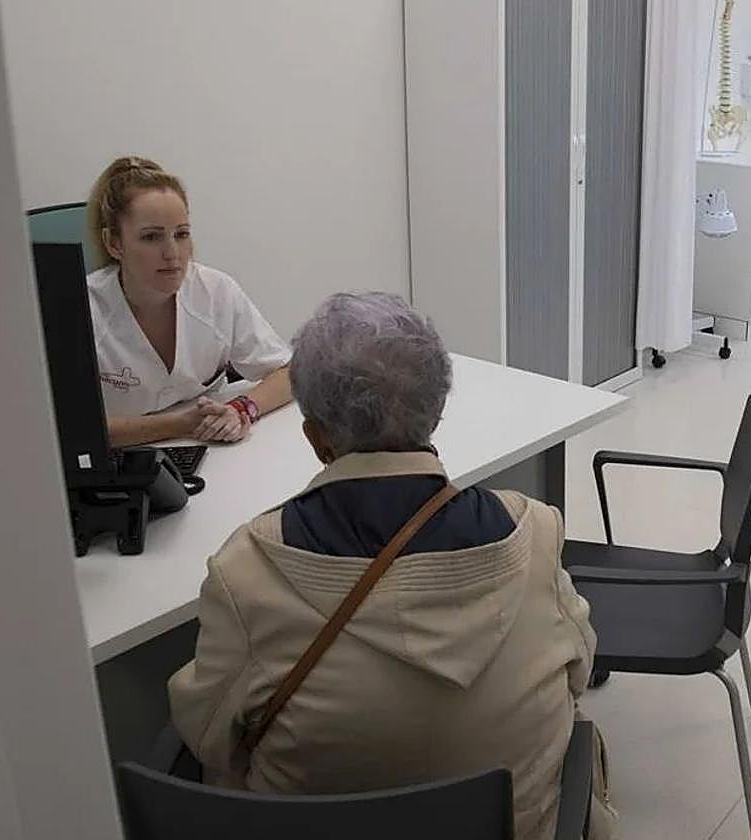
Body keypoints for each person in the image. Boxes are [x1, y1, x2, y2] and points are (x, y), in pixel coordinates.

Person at [168, 292, 617, 840]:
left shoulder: (248, 569)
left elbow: (209, 735)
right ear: (437, 412)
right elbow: (578, 670)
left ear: (315, 438)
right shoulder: (534, 534)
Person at [85, 156, 292, 447]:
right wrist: (180, 424)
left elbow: (288, 374)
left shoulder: (215, 291)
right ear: (114, 244)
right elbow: (72, 430)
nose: (173, 253)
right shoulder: (82, 309)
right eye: (152, 237)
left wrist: (241, 409)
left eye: (181, 234)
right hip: (124, 463)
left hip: (211, 450)